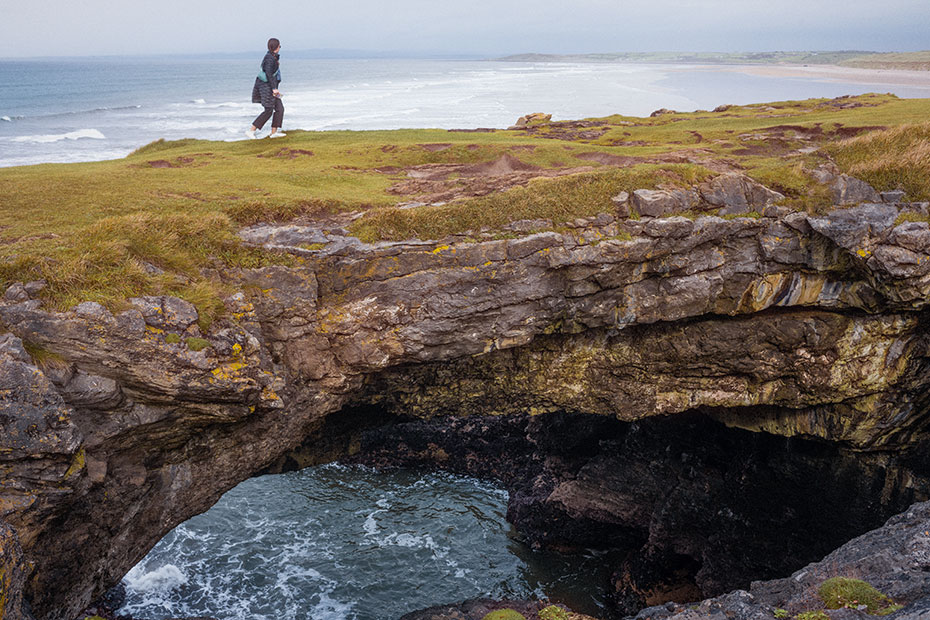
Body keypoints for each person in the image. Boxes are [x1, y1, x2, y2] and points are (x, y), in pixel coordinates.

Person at [246, 38, 285, 138]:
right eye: (279, 46)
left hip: (270, 87)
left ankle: (273, 133)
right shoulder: (269, 58)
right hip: (266, 87)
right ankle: (251, 131)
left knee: (279, 108)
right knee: (268, 110)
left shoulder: (273, 57)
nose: (280, 48)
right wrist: (274, 89)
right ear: (276, 47)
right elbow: (268, 74)